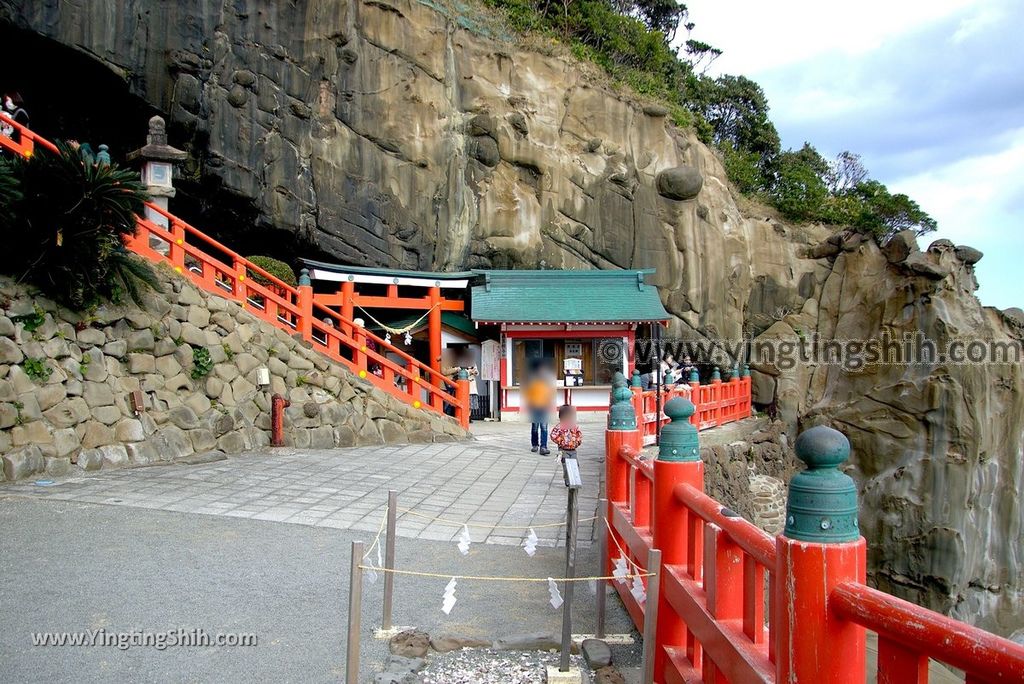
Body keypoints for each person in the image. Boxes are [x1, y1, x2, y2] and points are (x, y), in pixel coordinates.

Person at [523, 359, 555, 455]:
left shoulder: (547, 380)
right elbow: (528, 393)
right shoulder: (531, 380)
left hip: (544, 406)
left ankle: (544, 447)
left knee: (544, 427)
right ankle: (535, 444)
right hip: (534, 406)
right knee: (535, 427)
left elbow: (550, 393)